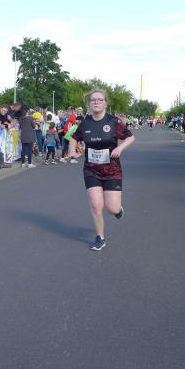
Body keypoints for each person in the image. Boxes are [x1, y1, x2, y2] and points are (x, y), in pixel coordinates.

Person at [69, 89, 135, 251]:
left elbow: (130, 137)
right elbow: (73, 137)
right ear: (89, 103)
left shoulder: (113, 121)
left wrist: (120, 148)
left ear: (105, 103)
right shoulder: (85, 123)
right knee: (96, 205)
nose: (96, 102)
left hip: (112, 169)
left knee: (112, 208)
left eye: (100, 99)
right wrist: (72, 151)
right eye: (93, 100)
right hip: (91, 169)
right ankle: (100, 237)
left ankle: (118, 210)